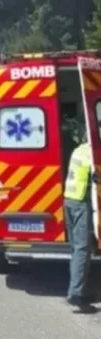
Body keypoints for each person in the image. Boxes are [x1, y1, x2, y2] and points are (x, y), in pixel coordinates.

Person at [64, 123, 99, 309]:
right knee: (82, 250)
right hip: (80, 204)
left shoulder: (79, 150)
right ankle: (76, 294)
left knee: (76, 249)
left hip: (69, 200)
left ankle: (78, 290)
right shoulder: (91, 155)